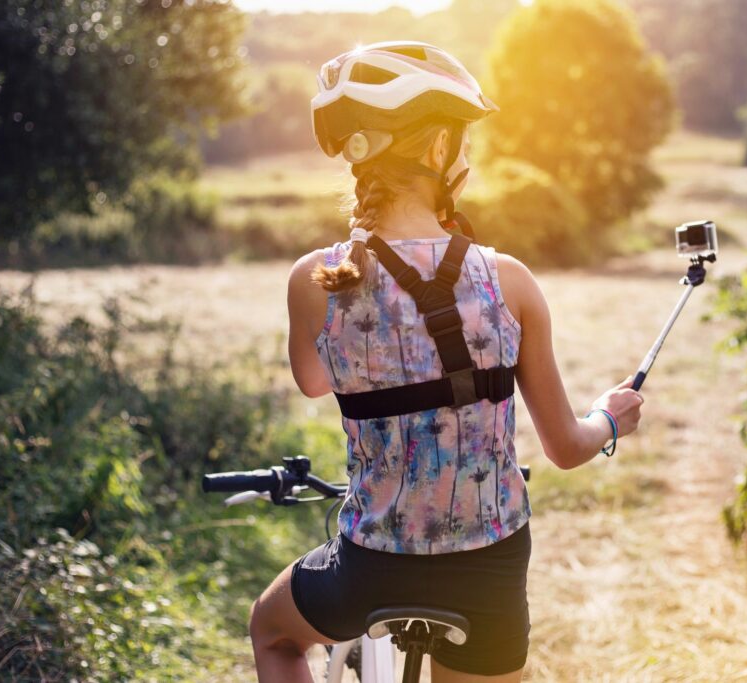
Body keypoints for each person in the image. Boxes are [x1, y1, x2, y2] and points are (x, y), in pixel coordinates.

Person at [248, 41, 644, 683]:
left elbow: (315, 382)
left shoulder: (317, 278)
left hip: (369, 566)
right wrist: (611, 417)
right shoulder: (509, 282)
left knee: (272, 632)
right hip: (488, 572)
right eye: (461, 141)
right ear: (437, 152)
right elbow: (568, 447)